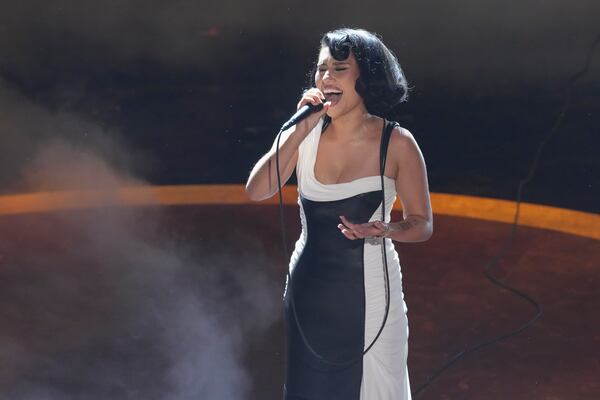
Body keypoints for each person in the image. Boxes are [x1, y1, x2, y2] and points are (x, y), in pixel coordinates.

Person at [245, 28, 432, 400]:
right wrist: (299, 130)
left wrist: (386, 229)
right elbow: (258, 189)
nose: (326, 78)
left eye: (340, 68)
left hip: (375, 293)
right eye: (321, 69)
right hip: (310, 292)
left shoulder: (396, 143)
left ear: (367, 77)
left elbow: (422, 224)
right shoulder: (304, 133)